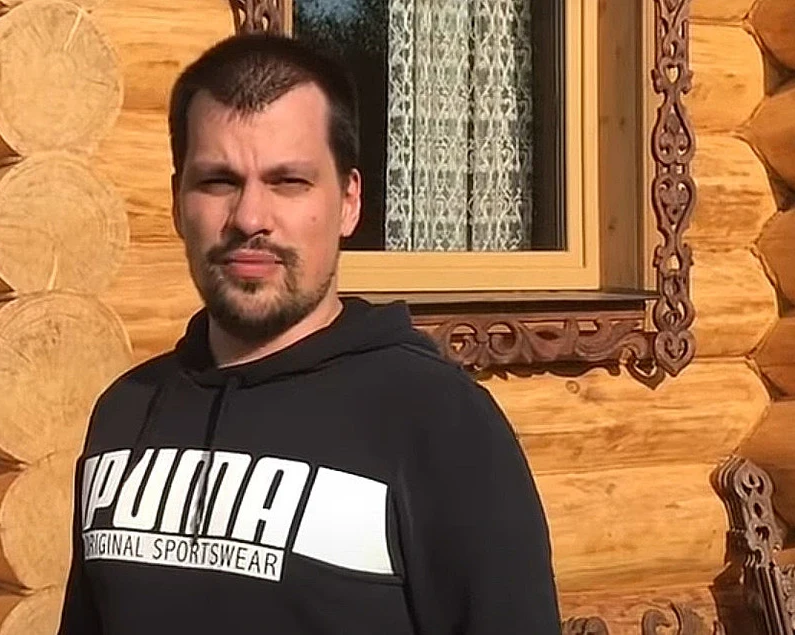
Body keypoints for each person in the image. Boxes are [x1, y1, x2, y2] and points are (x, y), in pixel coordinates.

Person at [58, 32, 561, 635]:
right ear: (176, 201)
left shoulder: (438, 424)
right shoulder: (125, 415)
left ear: (349, 201)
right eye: (218, 181)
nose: (250, 218)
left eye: (288, 182)